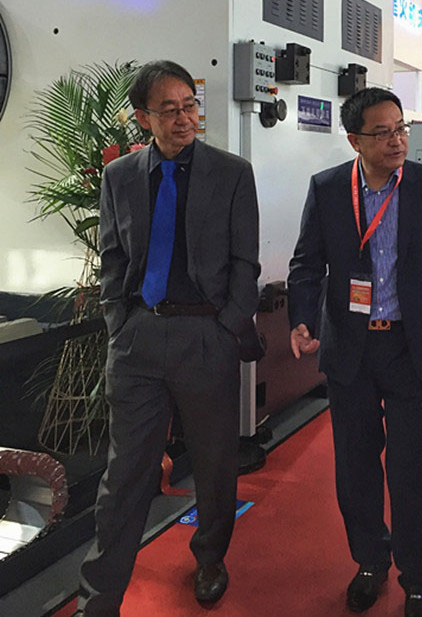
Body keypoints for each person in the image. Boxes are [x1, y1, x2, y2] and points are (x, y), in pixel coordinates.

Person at [78, 61, 262, 615]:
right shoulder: (119, 176)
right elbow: (113, 256)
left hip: (205, 334)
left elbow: (245, 262)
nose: (184, 118)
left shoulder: (231, 173)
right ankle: (99, 596)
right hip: (137, 336)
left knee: (213, 463)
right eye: (169, 110)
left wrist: (228, 326)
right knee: (125, 473)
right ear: (143, 118)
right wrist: (118, 321)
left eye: (190, 106)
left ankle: (210, 557)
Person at [288, 87, 422, 617]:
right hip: (351, 350)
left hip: (410, 349)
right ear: (355, 140)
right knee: (356, 467)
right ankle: (369, 561)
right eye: (383, 133)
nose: (397, 141)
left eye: (400, 129)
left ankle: (418, 578)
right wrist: (301, 318)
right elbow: (306, 262)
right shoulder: (327, 188)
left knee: (411, 470)